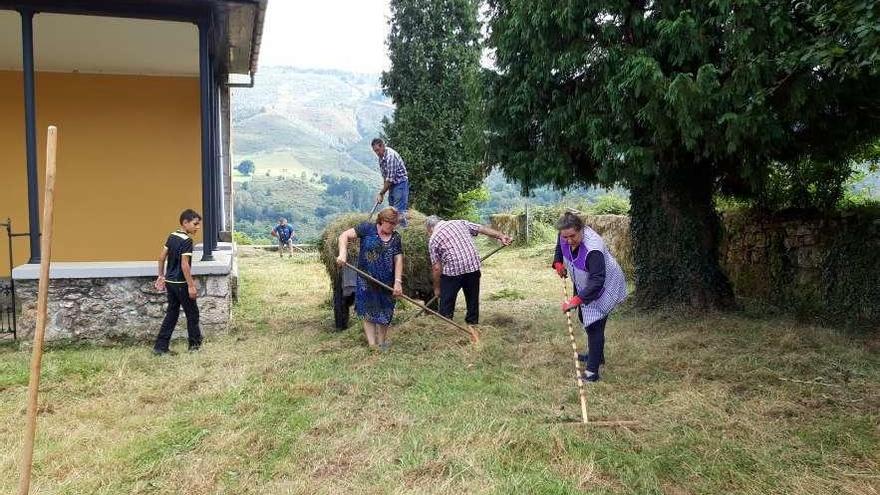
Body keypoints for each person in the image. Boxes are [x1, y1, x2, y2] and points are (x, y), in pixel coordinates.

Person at [553, 212, 628, 382]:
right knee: (583, 315)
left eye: (573, 236)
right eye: (566, 237)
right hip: (586, 281)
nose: (569, 240)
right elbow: (559, 247)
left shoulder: (593, 248)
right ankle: (597, 355)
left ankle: (592, 372)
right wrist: (558, 262)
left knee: (595, 324)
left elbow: (597, 281)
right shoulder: (564, 235)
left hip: (604, 284)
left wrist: (576, 300)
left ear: (582, 230)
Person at [336, 207, 404, 351]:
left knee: (386, 311)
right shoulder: (367, 229)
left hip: (386, 281)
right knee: (368, 310)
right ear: (382, 220)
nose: (392, 227)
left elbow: (398, 259)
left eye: (394, 224)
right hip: (365, 279)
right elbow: (344, 236)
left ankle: (382, 343)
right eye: (390, 223)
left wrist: (398, 282)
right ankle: (372, 345)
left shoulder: (396, 237)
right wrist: (343, 254)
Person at [426, 216, 513, 325]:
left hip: (453, 272)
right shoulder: (459, 222)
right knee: (472, 300)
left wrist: (437, 288)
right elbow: (481, 228)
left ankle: (446, 324)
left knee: (446, 303)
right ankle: (472, 324)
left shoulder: (433, 238)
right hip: (472, 267)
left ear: (430, 228)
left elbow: (437, 268)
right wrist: (501, 236)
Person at [153, 209, 203, 355]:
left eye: (198, 224)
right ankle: (195, 347)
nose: (197, 227)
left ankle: (160, 347)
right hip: (181, 283)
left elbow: (161, 257)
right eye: (195, 224)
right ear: (185, 222)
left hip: (170, 282)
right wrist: (191, 286)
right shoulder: (187, 241)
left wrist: (161, 276)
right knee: (192, 314)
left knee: (172, 314)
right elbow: (184, 265)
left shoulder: (172, 236)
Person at [371, 138, 409, 227]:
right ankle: (394, 231)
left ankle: (403, 230)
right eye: (375, 151)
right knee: (392, 211)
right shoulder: (381, 158)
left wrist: (381, 193)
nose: (377, 153)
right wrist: (382, 194)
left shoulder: (391, 156)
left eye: (377, 150)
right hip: (392, 185)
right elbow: (385, 177)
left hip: (400, 184)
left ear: (383, 146)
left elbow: (390, 179)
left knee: (398, 211)